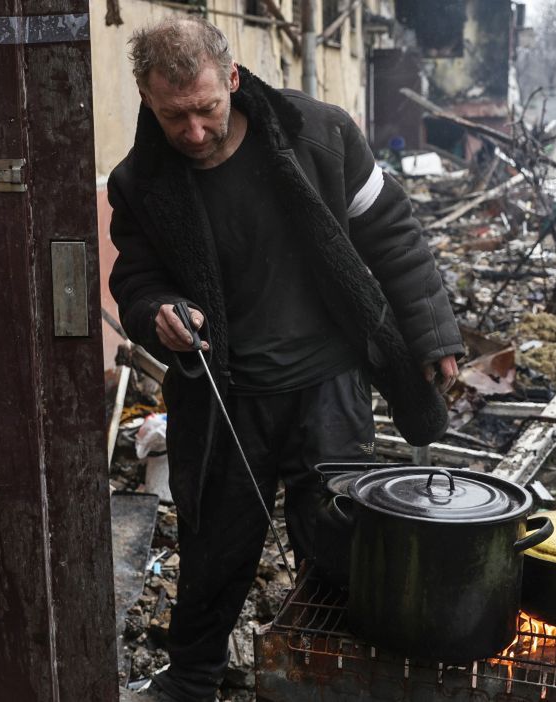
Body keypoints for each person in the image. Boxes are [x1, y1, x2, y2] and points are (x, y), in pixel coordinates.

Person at [108, 17, 464, 702]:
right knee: (214, 549)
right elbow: (135, 280)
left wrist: (434, 335)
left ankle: (337, 675)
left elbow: (392, 233)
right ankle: (189, 680)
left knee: (339, 541)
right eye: (173, 115)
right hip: (223, 397)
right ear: (148, 100)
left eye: (206, 108)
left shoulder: (318, 133)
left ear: (232, 81)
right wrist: (157, 314)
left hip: (328, 384)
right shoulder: (139, 181)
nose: (193, 131)